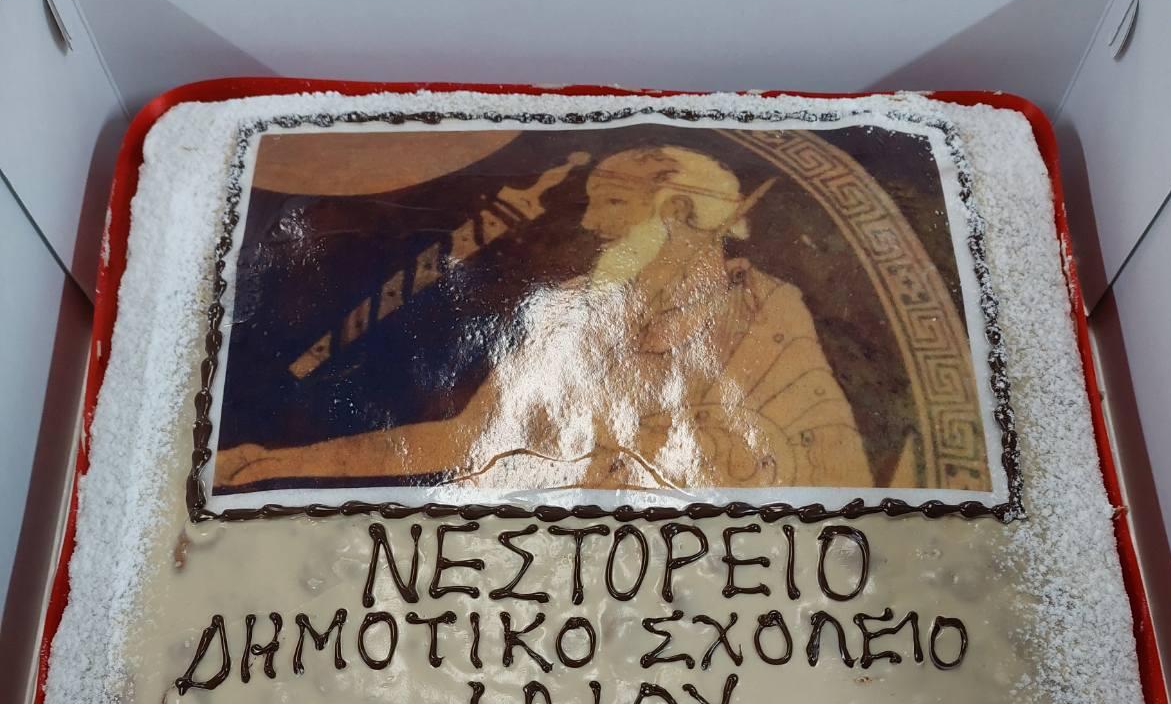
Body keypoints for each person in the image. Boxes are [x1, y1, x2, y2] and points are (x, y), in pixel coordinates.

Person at [215, 145, 872, 493]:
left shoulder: (765, 312)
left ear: (676, 212)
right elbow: (467, 442)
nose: (590, 223)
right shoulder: (569, 309)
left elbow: (823, 470)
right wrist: (273, 463)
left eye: (612, 203)